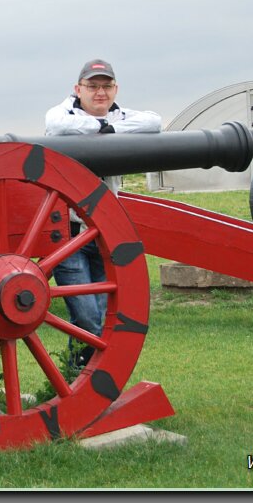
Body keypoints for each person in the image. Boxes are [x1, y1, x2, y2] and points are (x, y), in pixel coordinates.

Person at [44, 59, 161, 365]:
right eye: (93, 86)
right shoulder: (63, 115)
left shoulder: (120, 116)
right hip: (68, 235)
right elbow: (57, 126)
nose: (100, 92)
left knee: (101, 315)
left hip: (104, 233)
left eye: (106, 86)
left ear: (115, 89)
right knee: (89, 319)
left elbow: (154, 122)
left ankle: (76, 377)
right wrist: (104, 129)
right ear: (77, 89)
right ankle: (86, 379)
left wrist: (109, 126)